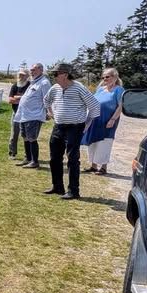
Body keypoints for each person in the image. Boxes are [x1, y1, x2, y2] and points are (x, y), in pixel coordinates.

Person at [43, 63, 101, 199]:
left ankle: (73, 191)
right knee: (54, 158)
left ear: (65, 75)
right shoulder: (55, 88)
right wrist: (51, 113)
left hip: (75, 128)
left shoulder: (79, 88)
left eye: (56, 74)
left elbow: (95, 106)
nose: (54, 76)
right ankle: (57, 186)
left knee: (72, 159)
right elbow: (46, 100)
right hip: (58, 126)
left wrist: (86, 125)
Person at [82, 67, 124, 175]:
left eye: (107, 77)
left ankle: (103, 167)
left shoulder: (119, 90)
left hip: (107, 120)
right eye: (103, 77)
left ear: (115, 77)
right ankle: (93, 166)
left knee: (104, 143)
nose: (105, 79)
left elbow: (121, 106)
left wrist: (113, 119)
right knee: (93, 141)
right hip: (95, 120)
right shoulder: (100, 89)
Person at [13, 63, 53, 169]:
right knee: (25, 138)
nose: (31, 71)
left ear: (41, 70)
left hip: (34, 115)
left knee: (32, 138)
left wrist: (48, 112)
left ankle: (35, 161)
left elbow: (47, 99)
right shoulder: (33, 82)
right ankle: (28, 158)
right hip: (25, 115)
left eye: (34, 69)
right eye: (31, 70)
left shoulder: (44, 83)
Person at [7, 69, 30, 159]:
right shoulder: (15, 86)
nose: (20, 77)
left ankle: (28, 155)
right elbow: (10, 100)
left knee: (27, 136)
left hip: (27, 114)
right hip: (16, 113)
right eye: (19, 75)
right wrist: (22, 99)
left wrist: (17, 98)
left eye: (23, 75)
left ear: (27, 76)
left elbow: (29, 100)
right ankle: (12, 153)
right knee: (14, 134)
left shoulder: (30, 86)